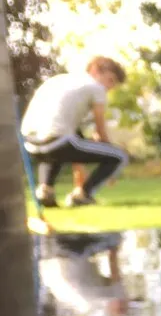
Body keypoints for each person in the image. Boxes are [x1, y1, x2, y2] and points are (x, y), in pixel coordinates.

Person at [20, 55, 129, 208]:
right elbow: (100, 128)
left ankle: (45, 190)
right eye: (110, 80)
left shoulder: (59, 80)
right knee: (119, 156)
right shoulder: (95, 87)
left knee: (55, 151)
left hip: (30, 142)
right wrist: (109, 162)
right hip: (57, 140)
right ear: (95, 70)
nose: (109, 87)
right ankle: (83, 195)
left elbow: (74, 135)